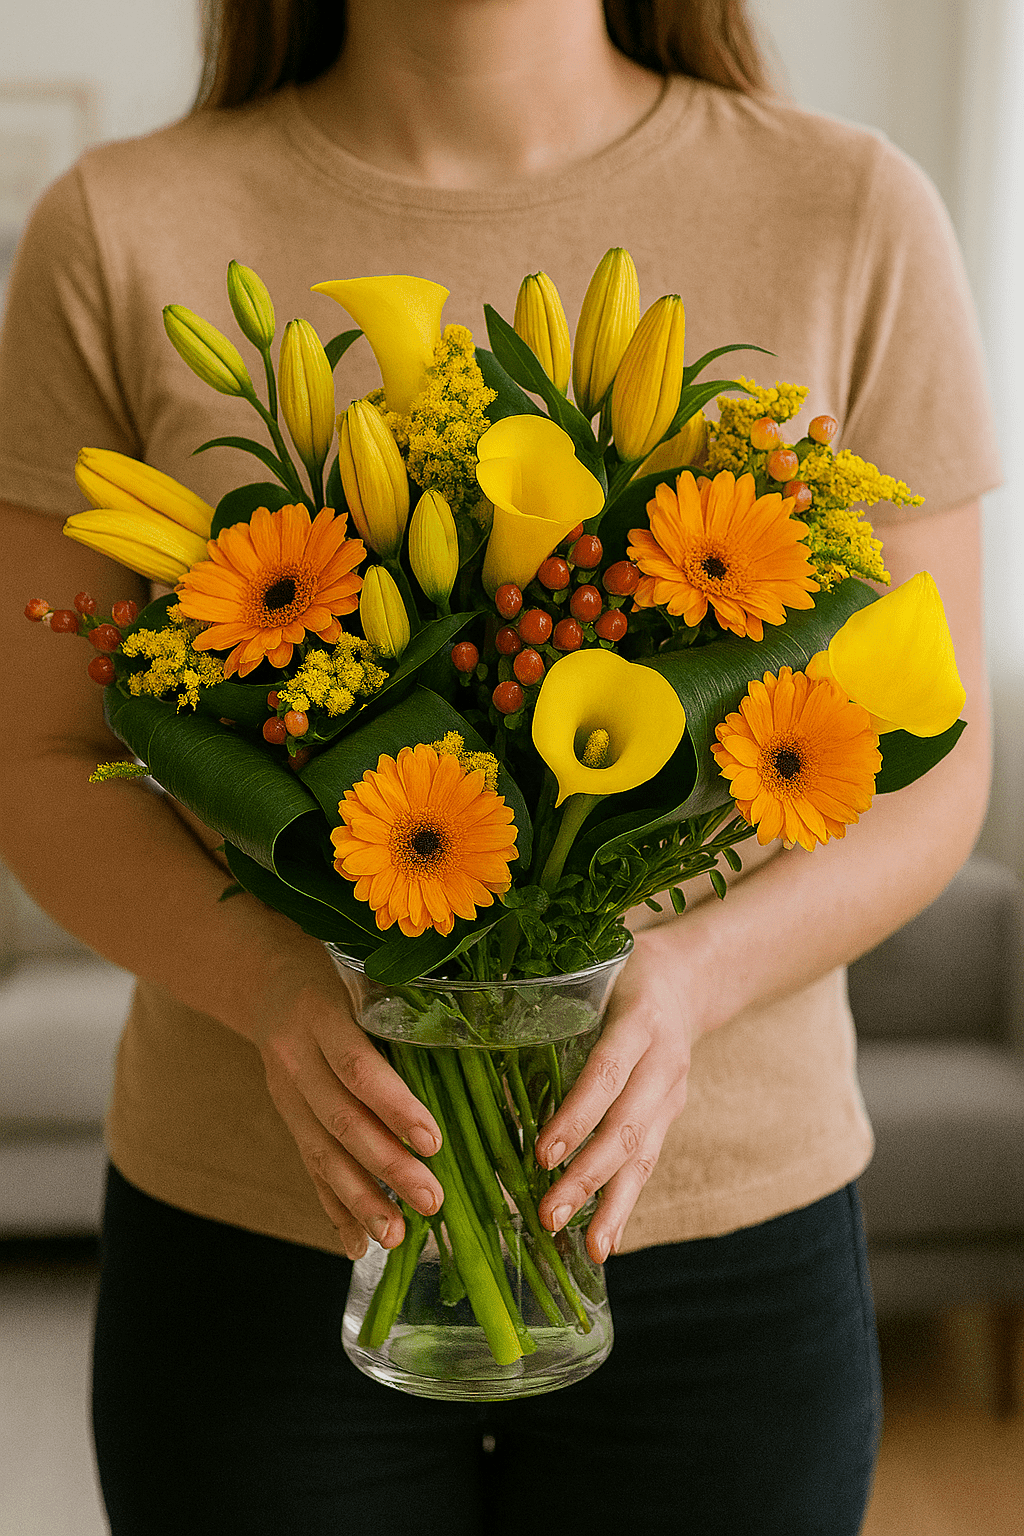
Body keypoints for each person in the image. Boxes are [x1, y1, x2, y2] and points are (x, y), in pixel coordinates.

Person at [0, 2, 999, 1531]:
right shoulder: (117, 226)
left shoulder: (848, 207)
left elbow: (934, 764)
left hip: (729, 1228)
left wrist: (690, 979)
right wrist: (275, 990)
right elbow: (43, 759)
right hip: (257, 1231)